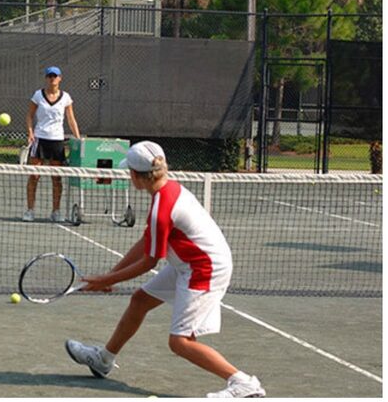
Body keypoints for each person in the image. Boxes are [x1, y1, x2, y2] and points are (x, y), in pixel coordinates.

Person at [64, 141, 265, 398]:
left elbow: (149, 261)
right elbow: (145, 243)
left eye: (129, 173)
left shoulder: (163, 208)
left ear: (136, 176)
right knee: (139, 300)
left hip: (205, 268)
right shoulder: (166, 192)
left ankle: (243, 383)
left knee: (180, 342)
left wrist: (106, 279)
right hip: (189, 263)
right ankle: (104, 359)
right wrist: (110, 276)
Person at [23, 66, 81, 222]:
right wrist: (30, 133)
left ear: (60, 78)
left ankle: (56, 211)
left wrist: (78, 139)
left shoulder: (66, 98)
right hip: (40, 139)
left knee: (56, 178)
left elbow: (71, 120)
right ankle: (30, 211)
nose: (52, 79)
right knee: (34, 176)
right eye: (49, 76)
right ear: (46, 78)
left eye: (55, 76)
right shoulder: (38, 95)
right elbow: (29, 115)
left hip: (57, 141)